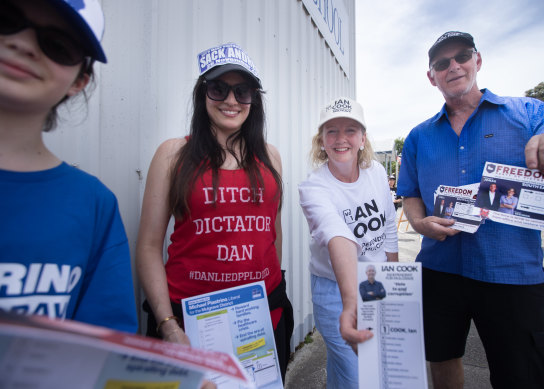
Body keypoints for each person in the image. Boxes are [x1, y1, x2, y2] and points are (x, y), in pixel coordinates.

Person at [397, 31, 544, 389]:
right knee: (441, 356)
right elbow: (410, 194)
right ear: (431, 76)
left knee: (521, 374)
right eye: (441, 63)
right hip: (440, 270)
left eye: (462, 56)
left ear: (477, 60)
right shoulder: (419, 136)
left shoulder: (530, 114)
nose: (453, 66)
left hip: (511, 273)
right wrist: (419, 223)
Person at [135, 43, 293, 382]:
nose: (231, 100)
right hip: (189, 323)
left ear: (254, 98)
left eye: (243, 91)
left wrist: (269, 296)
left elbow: (271, 236)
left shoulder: (271, 157)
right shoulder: (173, 154)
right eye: (219, 88)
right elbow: (148, 246)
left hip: (259, 319)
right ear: (202, 93)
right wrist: (167, 325)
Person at [0, 0, 137, 333]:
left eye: (57, 44)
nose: (23, 43)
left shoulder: (93, 204)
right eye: (7, 18)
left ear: (81, 80)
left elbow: (101, 357)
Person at [299, 97, 398, 388]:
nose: (341, 139)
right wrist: (352, 303)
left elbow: (389, 223)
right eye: (332, 131)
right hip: (333, 289)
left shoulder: (377, 173)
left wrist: (392, 277)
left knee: (372, 366)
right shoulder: (313, 187)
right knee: (357, 374)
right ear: (321, 141)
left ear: (363, 138)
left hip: (378, 279)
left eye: (350, 130)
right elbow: (337, 234)